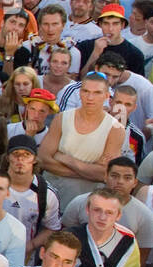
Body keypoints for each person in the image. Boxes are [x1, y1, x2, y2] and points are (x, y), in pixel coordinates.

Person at [38, 72, 125, 211]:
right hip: (49, 198)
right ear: (79, 93)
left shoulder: (115, 128)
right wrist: (87, 172)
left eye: (97, 93)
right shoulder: (62, 118)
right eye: (86, 91)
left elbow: (104, 174)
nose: (90, 97)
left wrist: (68, 160)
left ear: (107, 96)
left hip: (85, 204)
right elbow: (43, 159)